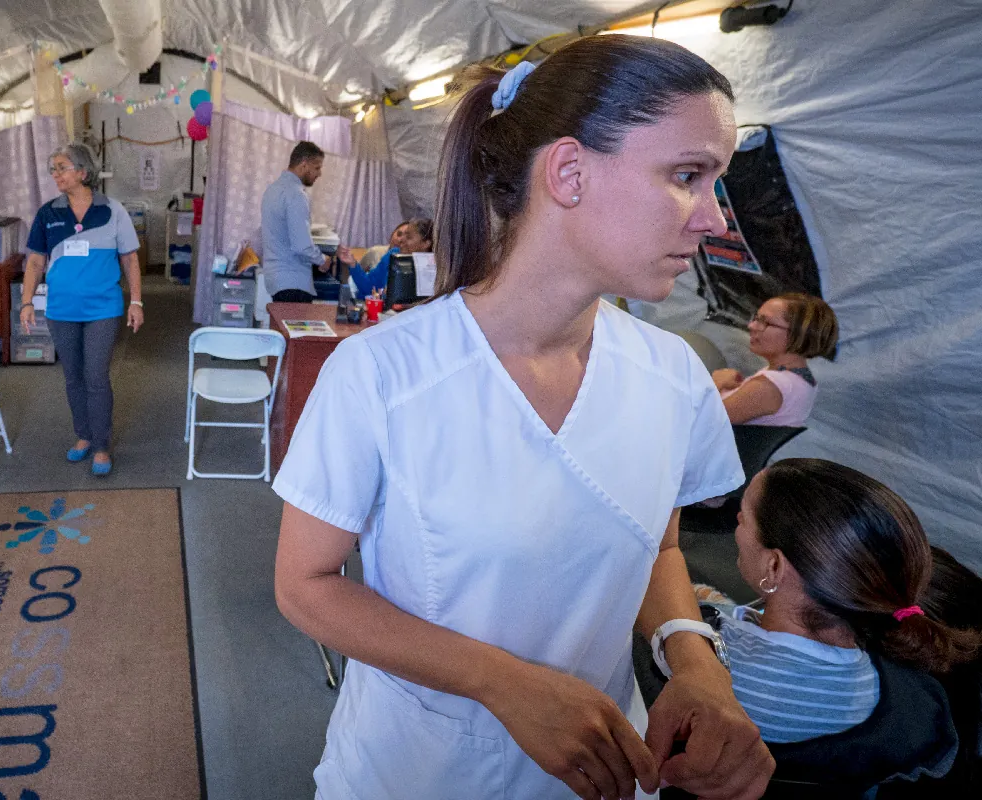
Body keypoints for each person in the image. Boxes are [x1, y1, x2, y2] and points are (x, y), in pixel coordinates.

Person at [273, 36, 777, 800]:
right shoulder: (381, 374)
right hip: (417, 769)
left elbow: (658, 546)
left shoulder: (674, 377)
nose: (712, 218)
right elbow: (306, 583)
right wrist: (501, 682)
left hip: (606, 769)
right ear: (568, 172)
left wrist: (693, 658)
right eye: (686, 176)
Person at [693, 459, 979, 744]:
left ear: (774, 567)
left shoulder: (708, 659)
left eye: (744, 517)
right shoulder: (898, 695)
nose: (737, 522)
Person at [18, 144, 143, 477]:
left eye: (61, 167)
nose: (55, 174)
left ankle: (102, 444)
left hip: (103, 306)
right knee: (73, 377)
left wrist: (136, 301)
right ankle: (84, 435)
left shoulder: (113, 210)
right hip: (61, 309)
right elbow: (34, 261)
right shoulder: (48, 213)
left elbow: (130, 258)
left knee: (96, 376)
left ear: (83, 172)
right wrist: (27, 301)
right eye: (52, 169)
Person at [714, 293, 837, 425]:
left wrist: (716, 383)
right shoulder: (799, 378)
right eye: (756, 318)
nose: (751, 326)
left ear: (796, 334)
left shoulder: (769, 386)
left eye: (765, 322)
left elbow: (703, 423)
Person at [260, 141, 333, 303]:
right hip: (293, 282)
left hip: (275, 278)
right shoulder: (296, 195)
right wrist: (323, 260)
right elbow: (301, 245)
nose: (319, 174)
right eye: (317, 168)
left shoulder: (272, 190)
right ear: (304, 165)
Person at [337, 217, 434, 301]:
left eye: (408, 237)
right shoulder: (392, 255)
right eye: (402, 235)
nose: (402, 240)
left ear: (426, 244)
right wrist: (353, 264)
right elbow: (369, 288)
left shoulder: (435, 267)